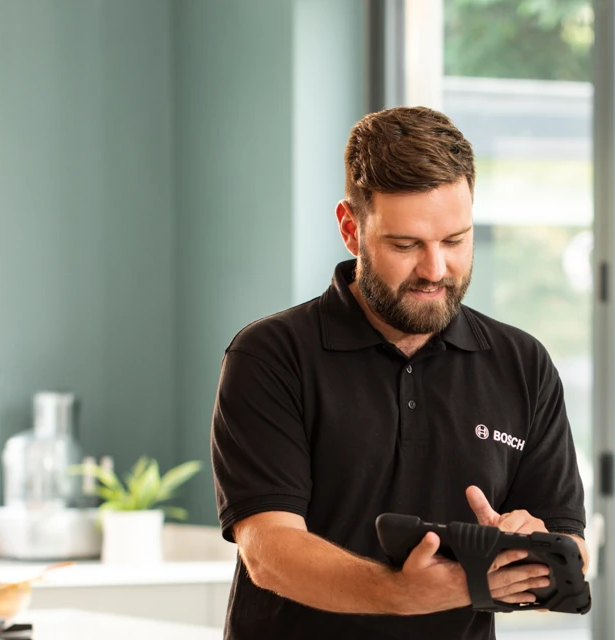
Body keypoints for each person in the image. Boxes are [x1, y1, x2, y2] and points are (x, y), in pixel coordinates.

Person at [210, 106, 587, 640]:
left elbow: (570, 548)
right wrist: (402, 594)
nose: (435, 270)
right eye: (406, 245)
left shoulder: (522, 364)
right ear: (350, 228)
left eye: (455, 240)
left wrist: (533, 546)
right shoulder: (270, 356)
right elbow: (269, 551)